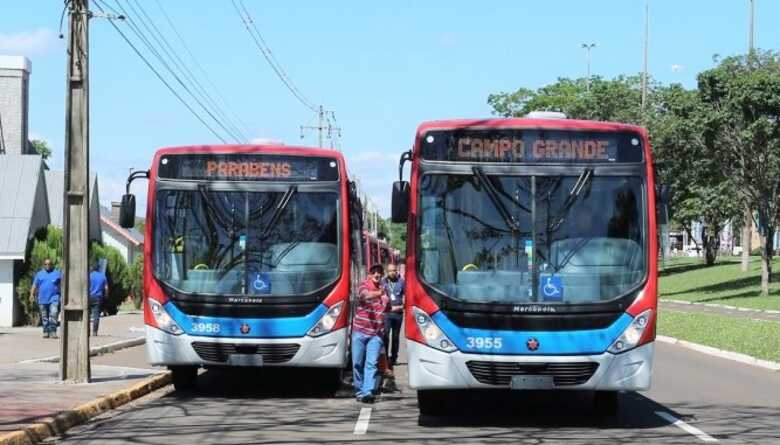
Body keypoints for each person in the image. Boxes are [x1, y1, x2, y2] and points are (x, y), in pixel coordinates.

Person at [352, 264, 389, 404]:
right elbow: (365, 296)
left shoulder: (385, 293)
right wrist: (380, 293)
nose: (377, 274)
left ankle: (367, 392)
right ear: (369, 274)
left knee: (371, 364)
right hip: (359, 332)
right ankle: (359, 391)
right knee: (357, 363)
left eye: (379, 272)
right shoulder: (363, 286)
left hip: (375, 335)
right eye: (374, 272)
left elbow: (389, 308)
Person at [30, 259, 62, 339]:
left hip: (54, 298)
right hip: (42, 299)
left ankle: (53, 331)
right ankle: (46, 331)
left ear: (52, 264)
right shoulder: (39, 274)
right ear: (43, 265)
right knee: (44, 316)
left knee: (54, 314)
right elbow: (34, 285)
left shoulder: (57, 273)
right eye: (46, 264)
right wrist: (31, 294)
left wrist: (63, 295)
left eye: (49, 264)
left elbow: (63, 284)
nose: (48, 265)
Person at [381, 263, 405, 372]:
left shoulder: (402, 282)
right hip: (387, 314)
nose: (392, 272)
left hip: (398, 314)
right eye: (390, 270)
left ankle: (394, 358)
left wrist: (401, 306)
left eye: (394, 270)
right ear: (387, 271)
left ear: (397, 271)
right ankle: (385, 358)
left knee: (395, 337)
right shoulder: (383, 282)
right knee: (385, 336)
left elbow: (406, 297)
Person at [89, 262, 109, 336]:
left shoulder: (89, 276)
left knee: (87, 314)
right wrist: (106, 296)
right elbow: (106, 288)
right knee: (96, 315)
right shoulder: (103, 276)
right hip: (98, 297)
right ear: (98, 268)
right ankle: (94, 332)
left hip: (89, 297)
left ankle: (86, 330)